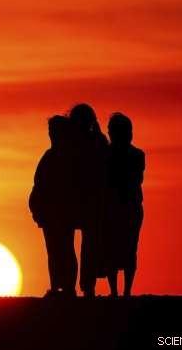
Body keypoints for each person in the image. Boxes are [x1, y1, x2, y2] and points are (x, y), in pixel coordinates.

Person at [29, 115, 78, 297]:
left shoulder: (65, 158)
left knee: (65, 248)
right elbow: (38, 184)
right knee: (54, 250)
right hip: (49, 213)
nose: (51, 135)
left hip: (62, 212)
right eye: (50, 132)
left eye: (54, 132)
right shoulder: (49, 156)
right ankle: (57, 287)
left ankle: (68, 288)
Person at [102, 113, 145, 296]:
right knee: (114, 248)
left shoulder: (135, 155)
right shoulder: (110, 153)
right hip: (117, 208)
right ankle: (116, 291)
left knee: (128, 248)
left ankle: (124, 291)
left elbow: (134, 179)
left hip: (127, 207)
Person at [69, 103, 109, 298]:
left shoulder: (95, 141)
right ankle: (80, 286)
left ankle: (86, 286)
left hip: (89, 198)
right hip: (80, 198)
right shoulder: (96, 141)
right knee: (82, 245)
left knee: (87, 244)